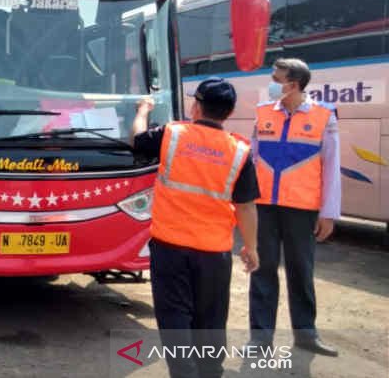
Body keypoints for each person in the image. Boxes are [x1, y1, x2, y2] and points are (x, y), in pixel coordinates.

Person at [131, 77, 260, 378]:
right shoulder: (238, 151)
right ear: (227, 113)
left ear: (197, 106)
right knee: (212, 319)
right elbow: (246, 206)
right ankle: (210, 372)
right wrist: (251, 247)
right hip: (214, 252)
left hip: (170, 247)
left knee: (175, 314)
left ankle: (183, 372)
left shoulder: (172, 135)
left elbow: (137, 141)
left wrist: (142, 111)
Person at [248, 58, 340, 356]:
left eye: (277, 78)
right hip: (264, 207)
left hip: (302, 210)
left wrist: (329, 213)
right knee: (262, 270)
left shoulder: (325, 116)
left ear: (294, 84)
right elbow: (252, 159)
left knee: (301, 271)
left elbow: (331, 167)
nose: (272, 82)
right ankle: (260, 339)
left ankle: (305, 334)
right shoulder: (263, 113)